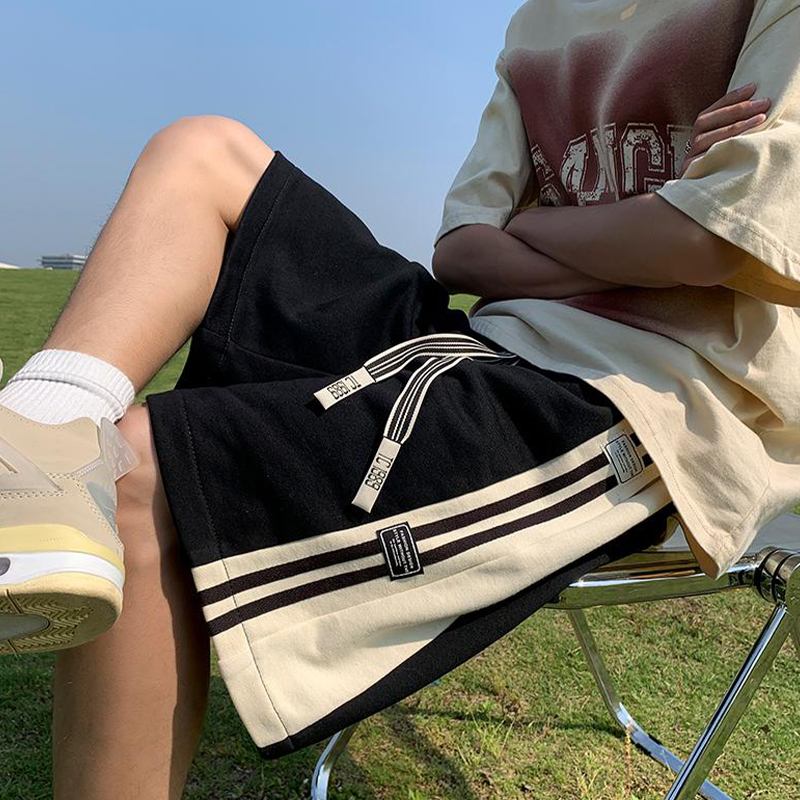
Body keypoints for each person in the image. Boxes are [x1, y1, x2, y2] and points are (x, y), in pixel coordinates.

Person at [1, 1, 798, 798]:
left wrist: (535, 230)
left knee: (138, 477)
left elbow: (712, 242)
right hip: (483, 344)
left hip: (639, 395)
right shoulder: (540, 23)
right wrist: (648, 221)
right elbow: (463, 253)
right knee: (200, 150)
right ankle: (35, 449)